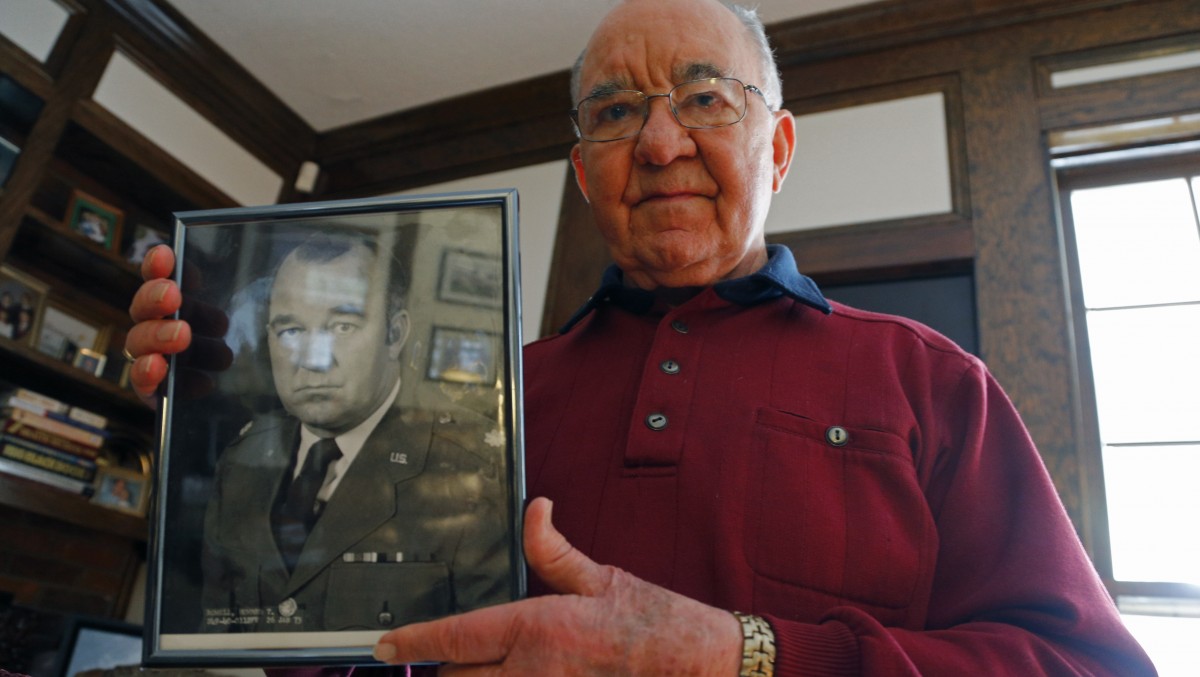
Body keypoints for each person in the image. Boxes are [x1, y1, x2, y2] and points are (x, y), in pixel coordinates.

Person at [126, 0, 1156, 673]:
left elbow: (1088, 666)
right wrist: (205, 442)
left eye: (705, 98)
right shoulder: (487, 400)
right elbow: (351, 643)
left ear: (778, 147)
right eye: (616, 112)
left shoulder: (928, 378)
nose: (661, 144)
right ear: (586, 174)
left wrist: (742, 653)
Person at [190, 233, 510, 634]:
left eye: (343, 326)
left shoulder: (474, 470)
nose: (313, 360)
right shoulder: (242, 460)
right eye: (291, 331)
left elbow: (485, 645)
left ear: (394, 335)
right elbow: (217, 631)